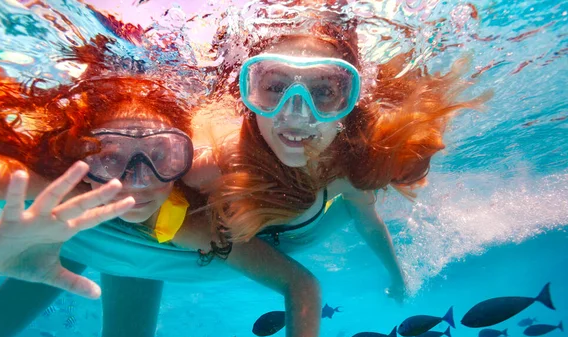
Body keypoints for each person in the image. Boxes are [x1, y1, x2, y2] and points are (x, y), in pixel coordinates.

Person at [0, 25, 320, 337]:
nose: (137, 181)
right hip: (59, 237)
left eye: (161, 156)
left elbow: (300, 285)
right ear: (82, 154)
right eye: (109, 156)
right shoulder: (51, 183)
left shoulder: (185, 224)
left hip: (133, 249)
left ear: (182, 162)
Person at [200, 0, 488, 299]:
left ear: (347, 106)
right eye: (275, 88)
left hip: (305, 235)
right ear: (250, 96)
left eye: (323, 92)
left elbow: (369, 223)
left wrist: (397, 275)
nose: (297, 115)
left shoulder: (343, 175)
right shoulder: (216, 162)